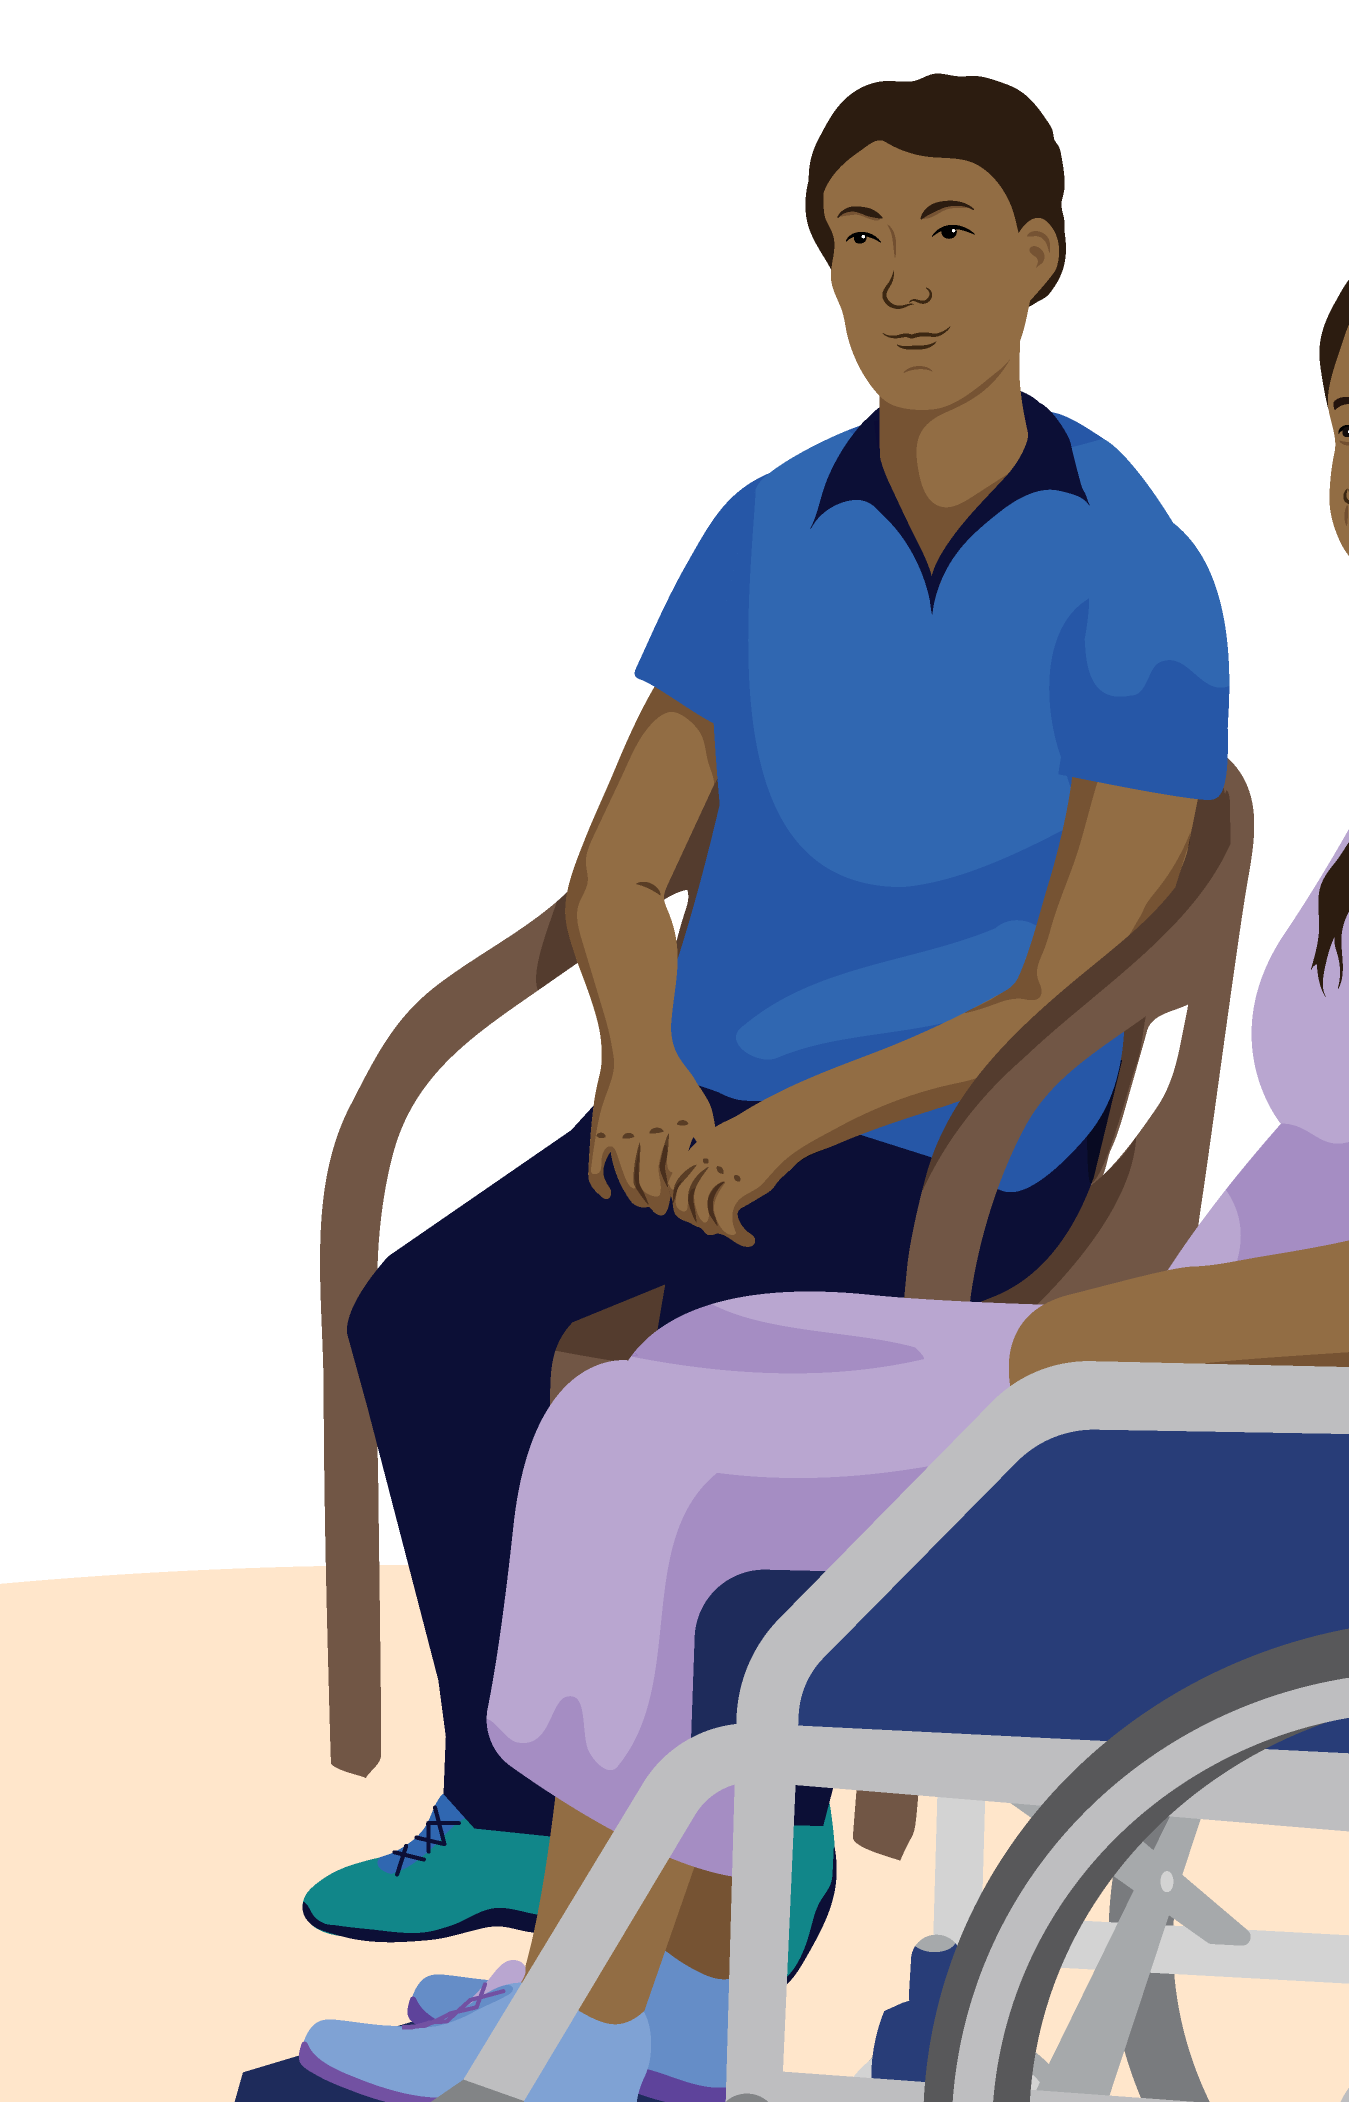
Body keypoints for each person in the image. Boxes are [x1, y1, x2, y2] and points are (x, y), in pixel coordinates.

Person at [292, 243, 1349, 2102]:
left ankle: (585, 2017)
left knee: (641, 1445)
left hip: (1339, 1451)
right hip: (1239, 1382)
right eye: (1345, 425)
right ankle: (657, 1994)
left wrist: (1089, 1336)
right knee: (685, 1377)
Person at [311, 75, 1234, 1968]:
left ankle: (763, 1816)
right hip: (696, 1099)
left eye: (946, 234)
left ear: (1038, 262)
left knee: (702, 1394)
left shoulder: (1134, 567)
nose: (899, 281)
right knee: (427, 1320)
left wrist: (794, 1123)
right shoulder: (762, 526)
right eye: (859, 240)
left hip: (961, 1133)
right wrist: (643, 1065)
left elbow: (1062, 986)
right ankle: (504, 1804)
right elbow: (621, 872)